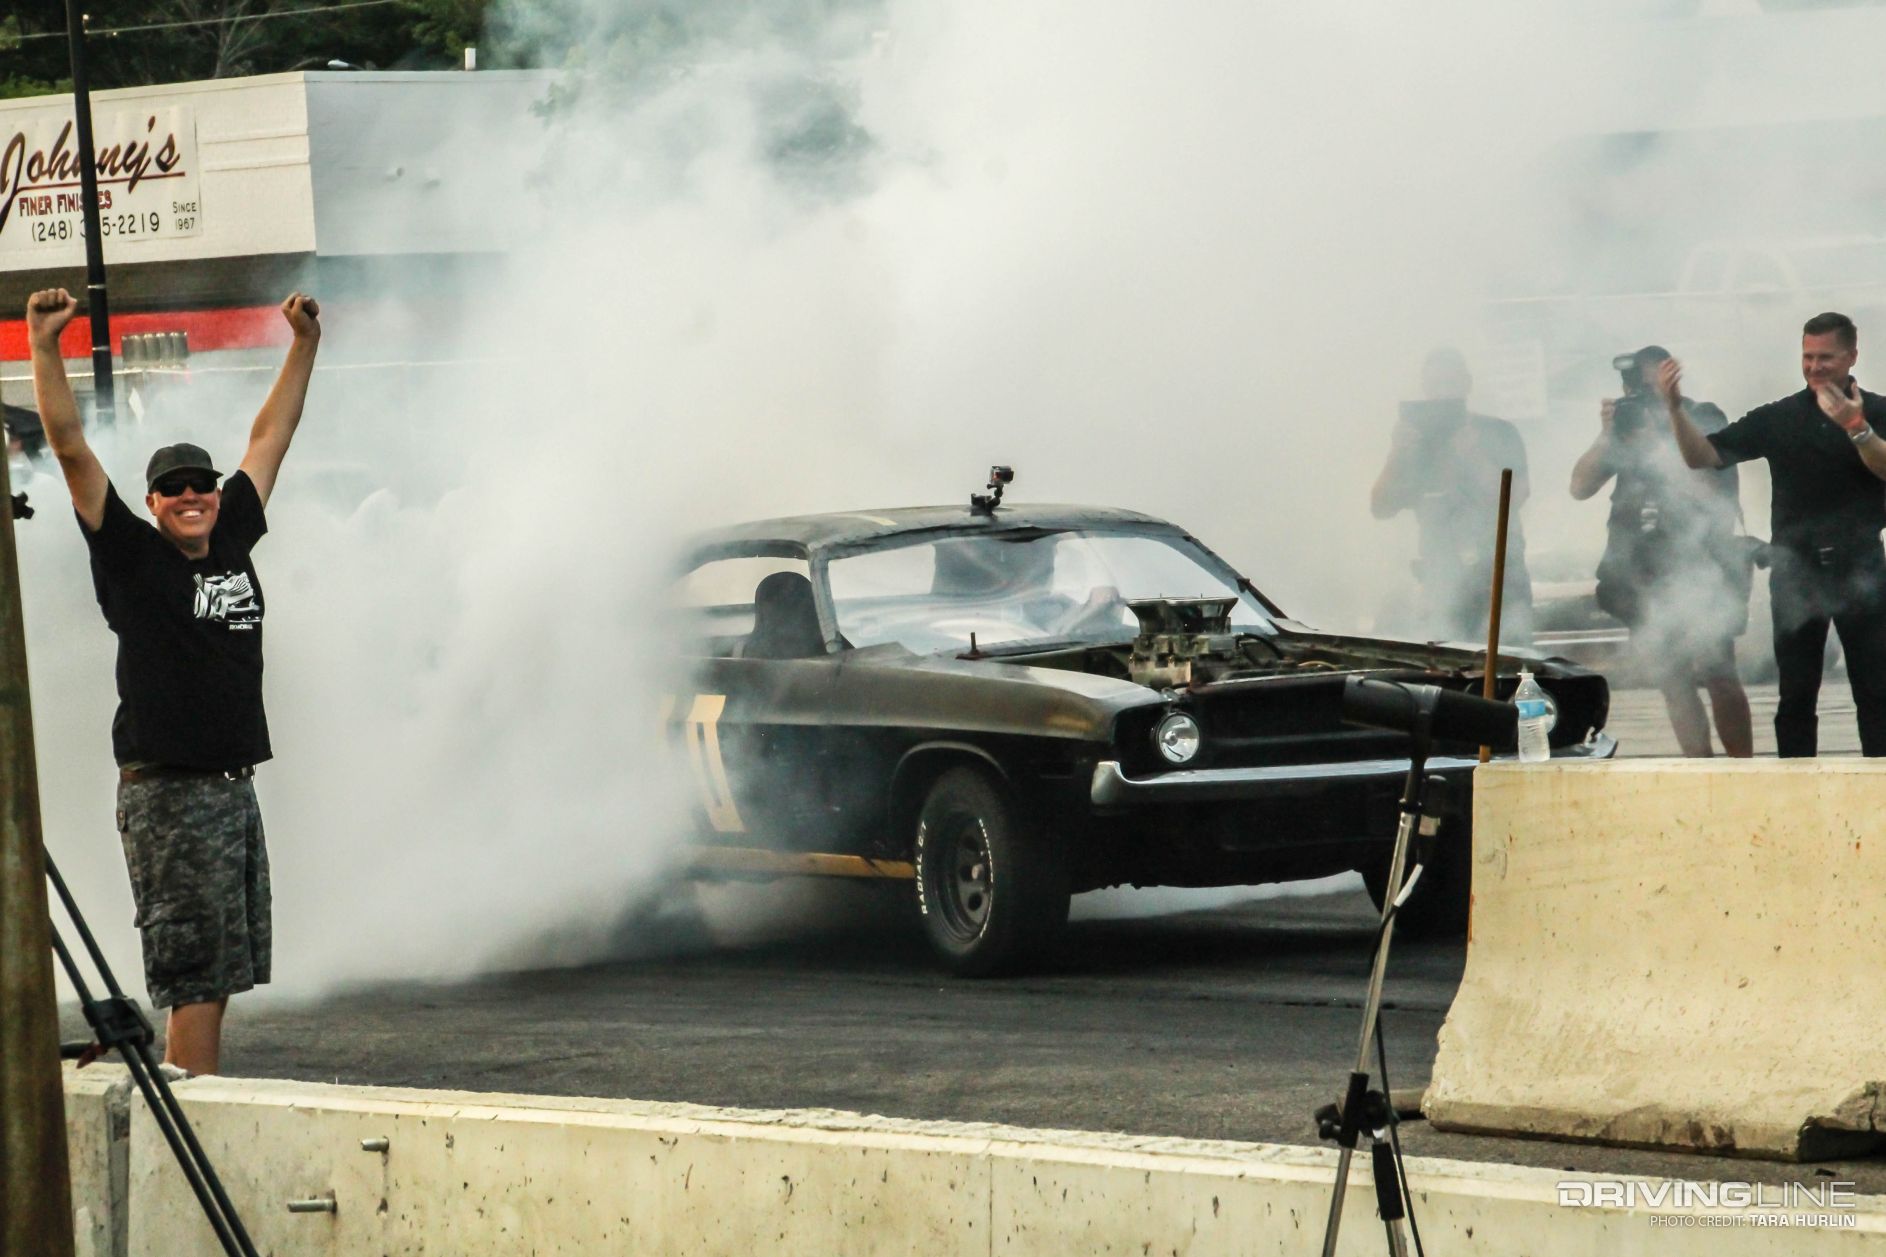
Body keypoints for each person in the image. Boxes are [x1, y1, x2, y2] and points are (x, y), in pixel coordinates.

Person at [27, 286, 321, 1073]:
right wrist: (45, 344)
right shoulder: (131, 556)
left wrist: (303, 343)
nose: (193, 494)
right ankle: (190, 1122)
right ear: (153, 504)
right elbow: (68, 446)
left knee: (222, 973)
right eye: (175, 488)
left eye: (203, 483)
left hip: (229, 786)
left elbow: (272, 434)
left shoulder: (231, 536)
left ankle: (202, 1100)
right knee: (196, 975)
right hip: (170, 790)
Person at [1664, 312, 1886, 757]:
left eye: (1825, 357)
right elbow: (1703, 456)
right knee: (1796, 696)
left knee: (1876, 694)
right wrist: (1674, 410)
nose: (1815, 366)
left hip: (1860, 566)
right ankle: (1795, 794)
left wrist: (1856, 428)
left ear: (1851, 357)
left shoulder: (1878, 411)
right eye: (1808, 357)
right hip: (1794, 568)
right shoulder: (1780, 417)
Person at [1570, 346, 1754, 757]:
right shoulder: (1626, 427)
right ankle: (1699, 768)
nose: (1638, 390)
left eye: (1647, 377)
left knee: (1719, 673)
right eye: (1631, 382)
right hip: (1642, 572)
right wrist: (1607, 435)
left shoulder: (1703, 415)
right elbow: (1580, 487)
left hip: (1702, 566)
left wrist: (1666, 437)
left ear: (1670, 374)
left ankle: (1743, 769)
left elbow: (1715, 492)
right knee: (1672, 679)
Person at [1372, 347, 1533, 645]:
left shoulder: (1498, 432)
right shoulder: (1416, 442)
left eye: (1450, 382)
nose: (1442, 391)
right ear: (1424, 387)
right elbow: (1380, 507)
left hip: (1499, 572)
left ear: (1466, 384)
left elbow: (1516, 499)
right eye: (1434, 384)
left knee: (1511, 659)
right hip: (1440, 575)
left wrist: (1474, 455)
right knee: (1449, 663)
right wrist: (1397, 454)